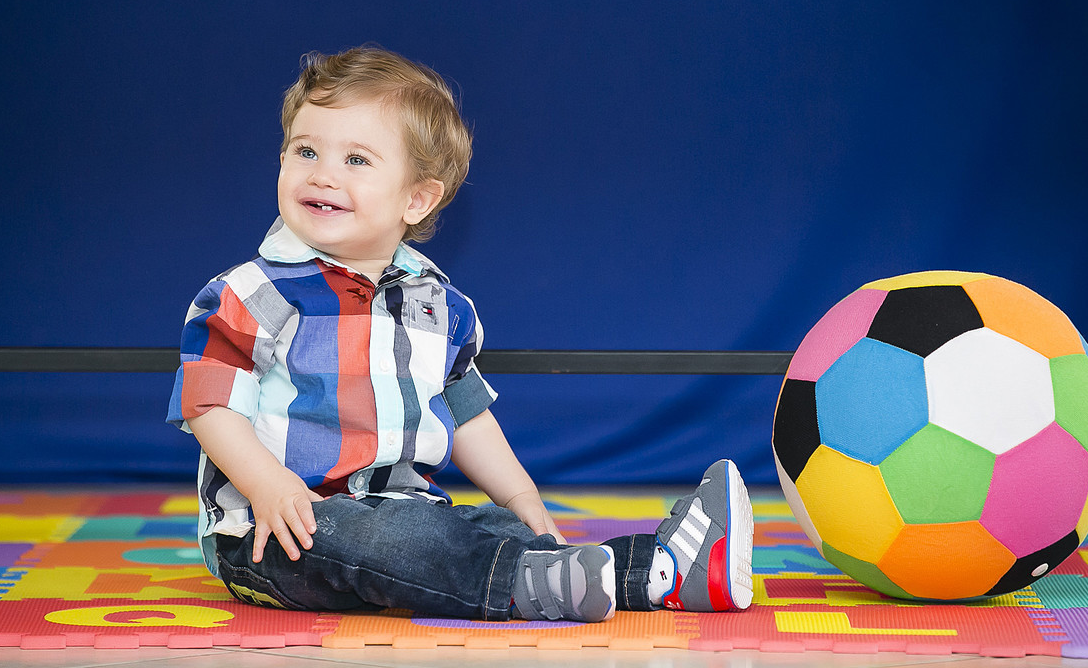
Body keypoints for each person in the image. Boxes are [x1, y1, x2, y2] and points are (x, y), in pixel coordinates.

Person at [166, 46, 753, 622]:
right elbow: (208, 403)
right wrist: (270, 486)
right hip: (279, 532)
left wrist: (521, 499)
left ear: (416, 199)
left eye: (357, 160)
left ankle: (662, 571)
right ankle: (546, 583)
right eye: (306, 150)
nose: (322, 174)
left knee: (485, 530)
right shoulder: (250, 292)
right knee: (388, 540)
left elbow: (464, 413)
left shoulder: (437, 302)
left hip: (408, 516)